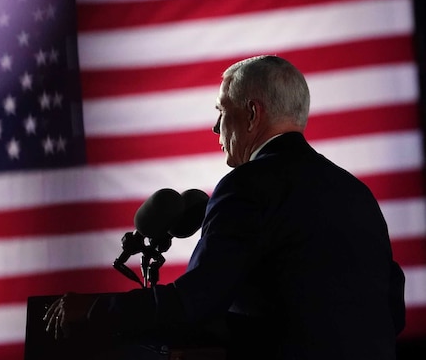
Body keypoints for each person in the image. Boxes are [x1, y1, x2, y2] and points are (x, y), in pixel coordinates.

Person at [44, 55, 406, 359]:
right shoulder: (357, 192)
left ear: (251, 115)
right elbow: (392, 309)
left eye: (222, 110)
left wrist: (92, 311)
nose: (216, 127)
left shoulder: (247, 185)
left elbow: (197, 303)